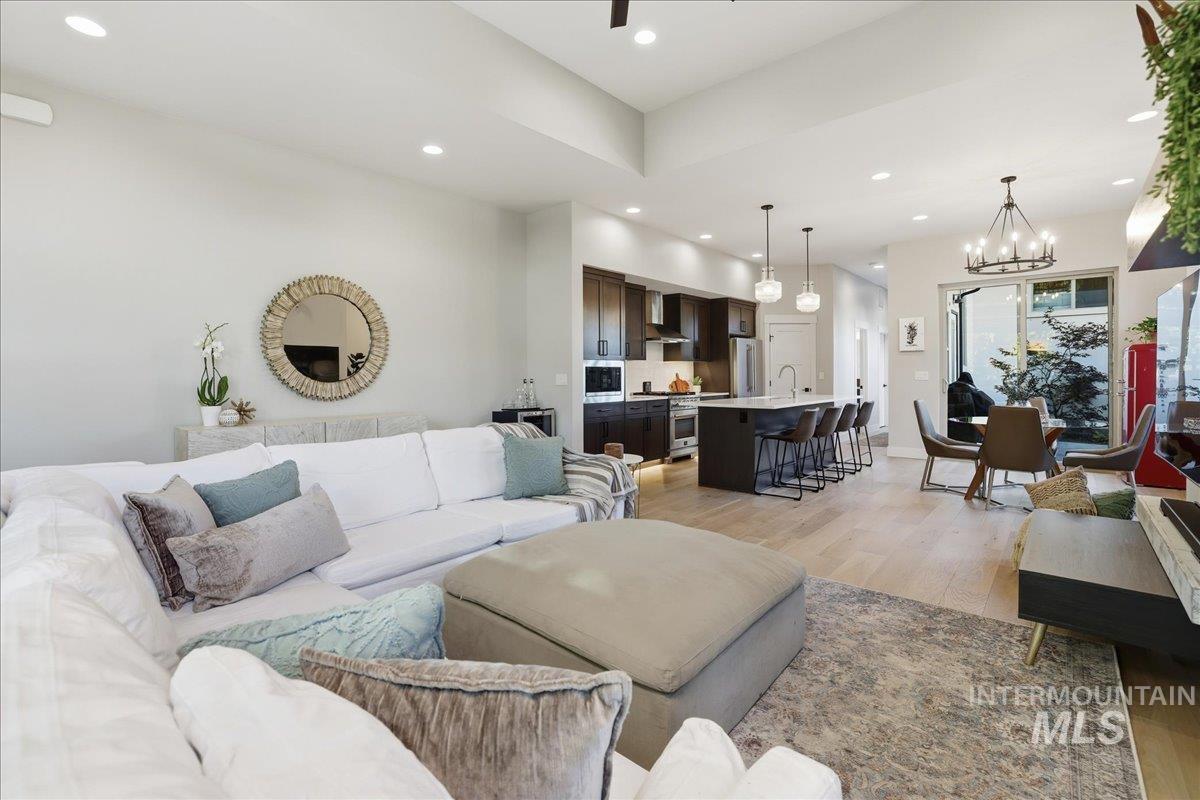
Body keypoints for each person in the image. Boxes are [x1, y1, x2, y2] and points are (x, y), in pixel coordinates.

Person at [947, 372, 994, 442]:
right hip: (971, 435)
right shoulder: (975, 392)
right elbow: (991, 406)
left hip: (948, 433)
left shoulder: (947, 389)